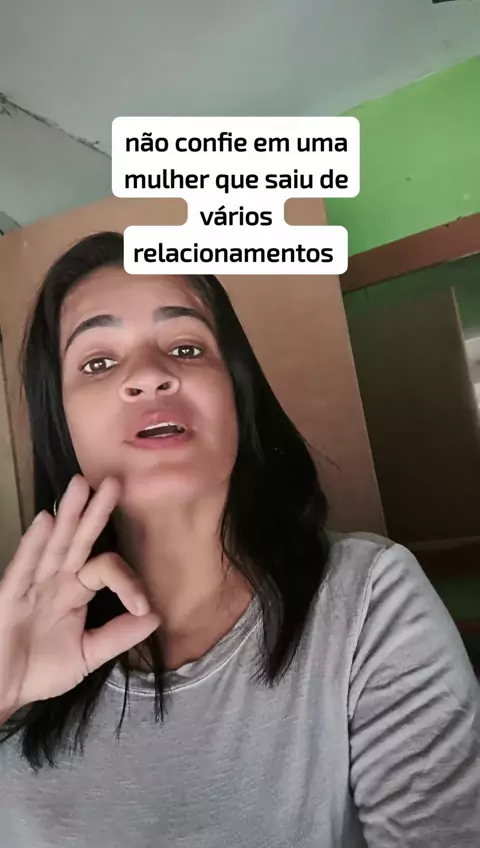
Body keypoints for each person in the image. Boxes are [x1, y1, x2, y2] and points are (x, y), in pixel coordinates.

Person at [0, 231, 478, 848]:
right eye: (98, 362)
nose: (149, 376)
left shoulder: (366, 602)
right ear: (61, 425)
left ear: (237, 394)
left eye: (185, 347)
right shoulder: (12, 641)